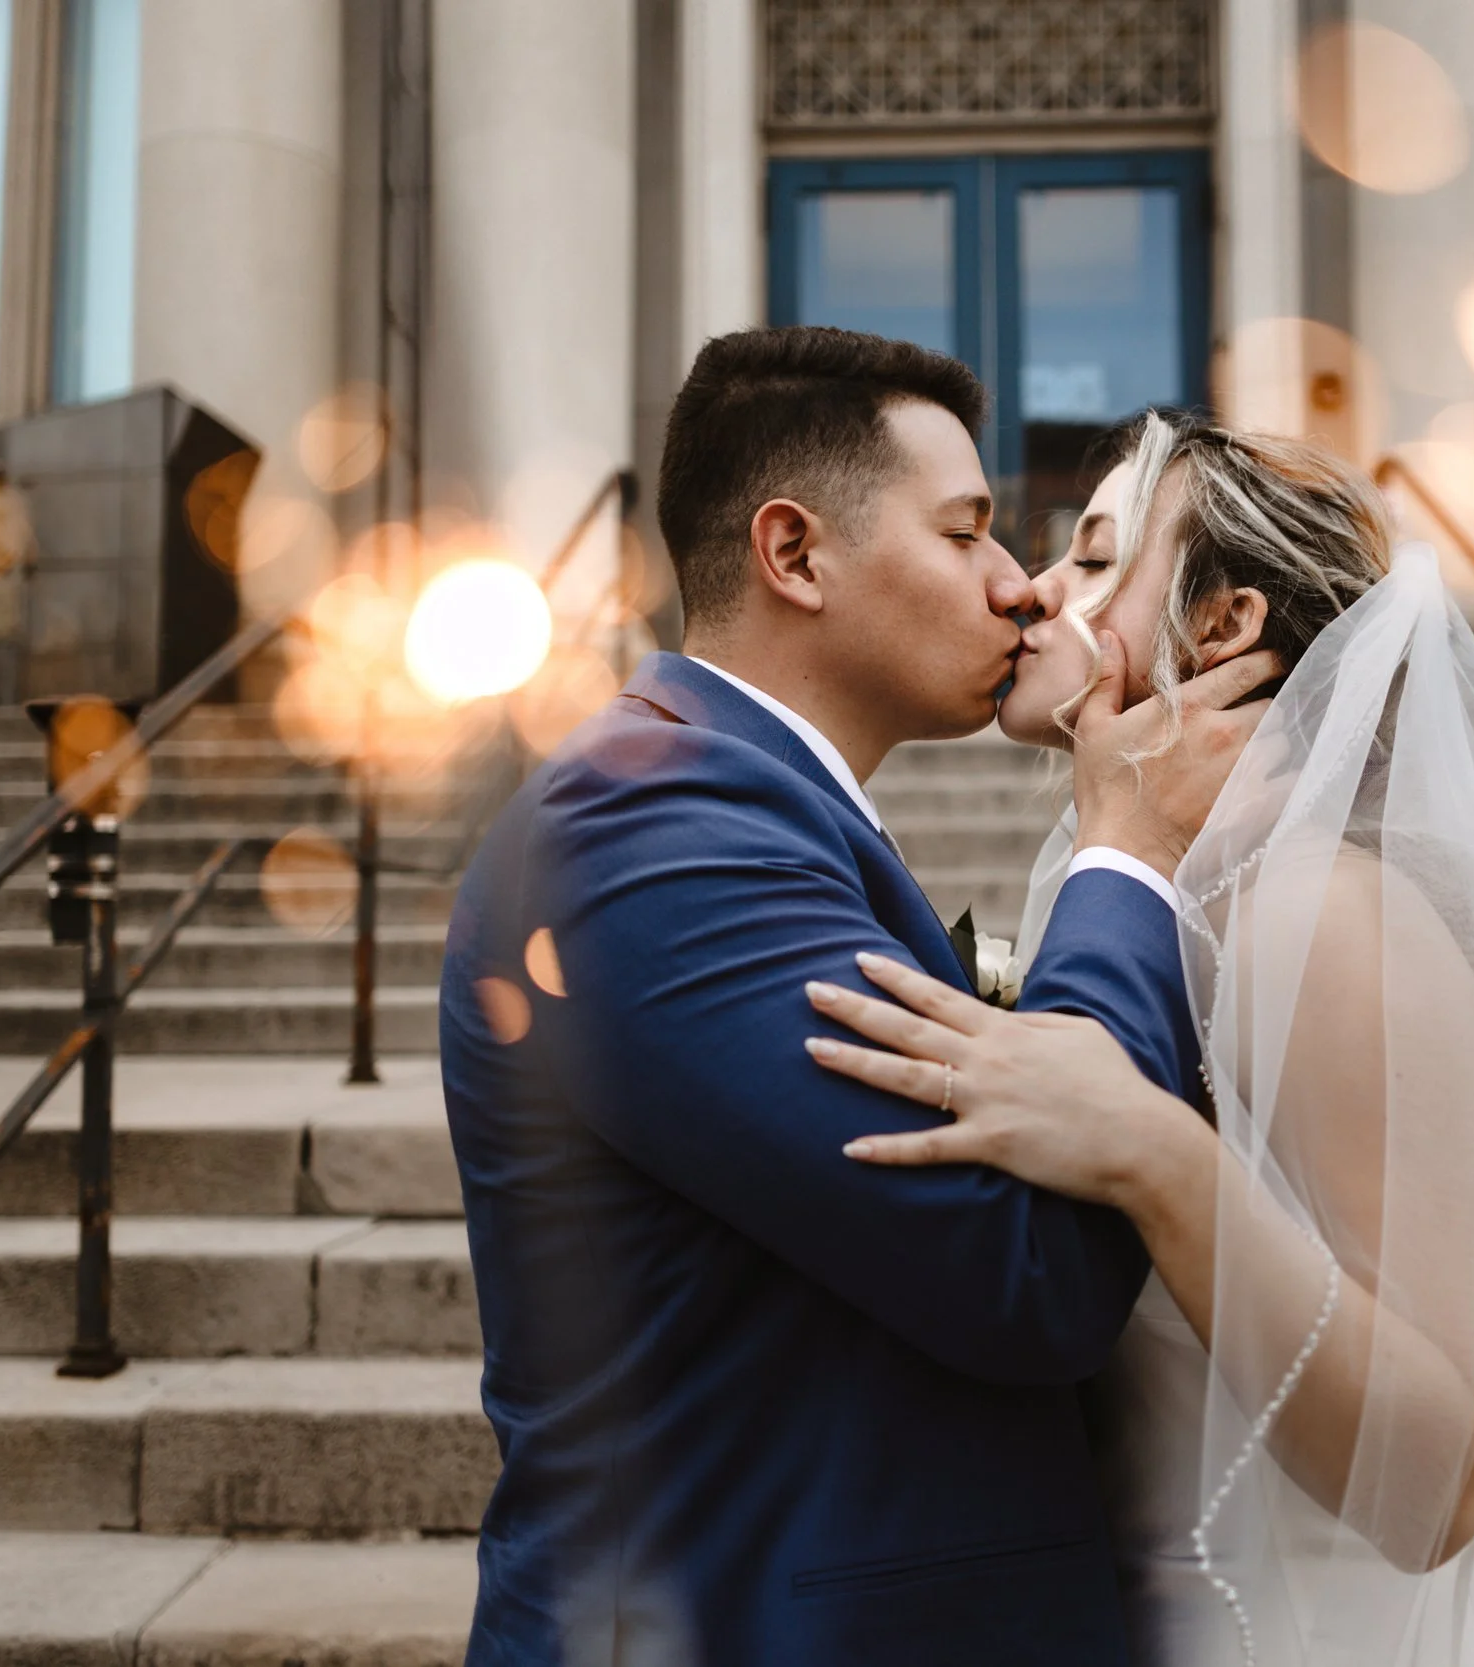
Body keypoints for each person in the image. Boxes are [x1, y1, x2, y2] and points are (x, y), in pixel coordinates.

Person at [439, 332, 1281, 1666]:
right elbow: (1027, 1265)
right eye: (967, 533)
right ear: (794, 553)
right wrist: (1128, 852)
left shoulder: (756, 810)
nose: (1019, 588)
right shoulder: (648, 830)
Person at [801, 412, 1474, 1666]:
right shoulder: (1148, 890)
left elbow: (1440, 1482)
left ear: (1221, 625)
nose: (1030, 587)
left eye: (1096, 558)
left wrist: (1156, 1154)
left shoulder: (1316, 912)